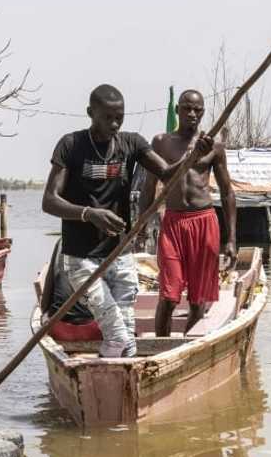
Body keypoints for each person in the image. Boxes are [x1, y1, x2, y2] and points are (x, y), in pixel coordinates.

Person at [42, 84, 213, 357]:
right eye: (106, 117)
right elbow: (49, 201)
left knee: (125, 336)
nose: (114, 124)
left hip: (119, 253)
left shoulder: (131, 144)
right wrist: (89, 213)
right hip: (82, 257)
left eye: (119, 117)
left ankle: (116, 378)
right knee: (119, 334)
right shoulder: (70, 145)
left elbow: (168, 174)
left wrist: (192, 157)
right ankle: (114, 367)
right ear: (90, 113)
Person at [138, 89, 236, 337]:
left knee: (197, 300)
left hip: (204, 222)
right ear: (177, 110)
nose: (192, 113)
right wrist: (140, 226)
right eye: (186, 108)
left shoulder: (214, 146)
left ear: (203, 112)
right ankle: (159, 349)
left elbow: (227, 193)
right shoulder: (161, 142)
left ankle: (188, 347)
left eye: (197, 109)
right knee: (169, 296)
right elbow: (149, 186)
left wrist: (232, 239)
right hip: (172, 224)